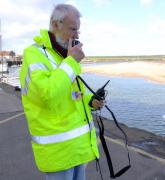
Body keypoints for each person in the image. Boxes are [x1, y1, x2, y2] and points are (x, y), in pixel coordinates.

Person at [20, 4, 104, 180]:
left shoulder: (63, 56)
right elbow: (48, 96)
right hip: (58, 153)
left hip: (77, 149)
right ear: (55, 25)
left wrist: (89, 100)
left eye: (78, 30)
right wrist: (72, 62)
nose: (77, 36)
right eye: (73, 29)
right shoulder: (34, 55)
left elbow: (71, 95)